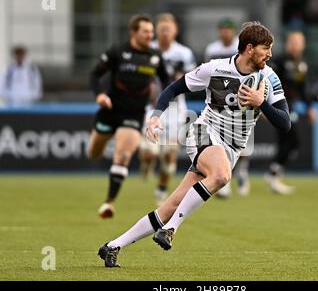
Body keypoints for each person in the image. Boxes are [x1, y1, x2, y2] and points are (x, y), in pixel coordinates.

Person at [98, 21, 291, 267]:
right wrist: (156, 115)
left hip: (231, 147)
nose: (271, 54)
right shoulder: (214, 69)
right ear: (250, 48)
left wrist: (261, 102)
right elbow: (173, 89)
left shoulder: (269, 77)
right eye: (267, 48)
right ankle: (170, 230)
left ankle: (113, 246)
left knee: (170, 206)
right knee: (221, 175)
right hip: (203, 131)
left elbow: (285, 123)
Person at [88, 14, 169, 218]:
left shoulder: (155, 56)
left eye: (152, 32)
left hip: (133, 114)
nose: (150, 35)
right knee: (93, 153)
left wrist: (161, 103)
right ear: (133, 32)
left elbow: (167, 83)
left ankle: (109, 203)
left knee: (123, 155)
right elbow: (95, 74)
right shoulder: (117, 51)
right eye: (146, 31)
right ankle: (141, 150)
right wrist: (99, 94)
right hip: (110, 111)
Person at [139, 13, 197, 206]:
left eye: (168, 29)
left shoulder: (184, 53)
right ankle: (146, 163)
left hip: (176, 107)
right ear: (157, 30)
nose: (165, 33)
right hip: (153, 105)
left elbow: (192, 79)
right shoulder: (149, 50)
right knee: (150, 152)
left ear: (175, 31)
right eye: (162, 29)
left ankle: (161, 189)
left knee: (170, 153)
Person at [265, 31, 317, 195]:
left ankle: (274, 175)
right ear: (288, 43)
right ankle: (273, 173)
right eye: (293, 41)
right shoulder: (279, 61)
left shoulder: (301, 64)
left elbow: (302, 89)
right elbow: (268, 84)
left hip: (291, 106)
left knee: (287, 142)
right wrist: (265, 108)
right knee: (292, 140)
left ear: (303, 45)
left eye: (298, 42)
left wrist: (310, 108)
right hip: (278, 106)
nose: (295, 45)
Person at [204, 18, 250, 197]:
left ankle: (243, 172)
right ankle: (225, 180)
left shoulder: (241, 47)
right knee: (221, 143)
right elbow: (208, 75)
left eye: (228, 29)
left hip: (242, 101)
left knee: (243, 143)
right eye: (222, 29)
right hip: (219, 102)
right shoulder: (212, 49)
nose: (225, 33)